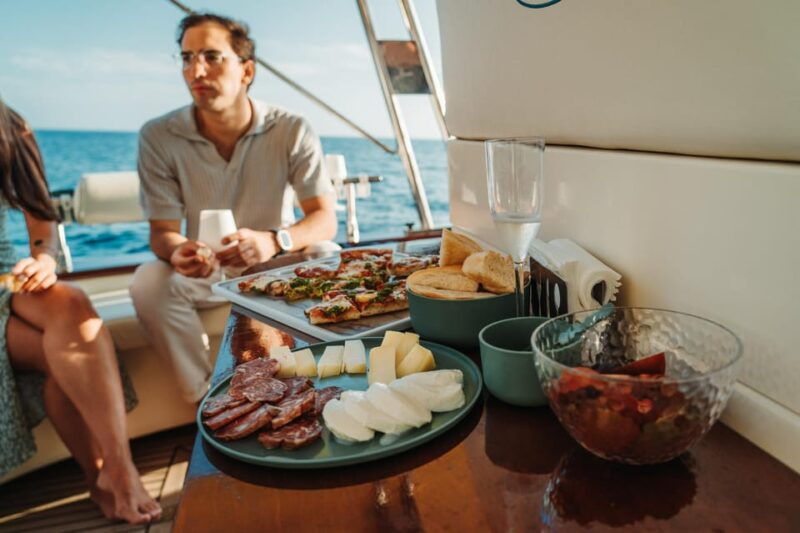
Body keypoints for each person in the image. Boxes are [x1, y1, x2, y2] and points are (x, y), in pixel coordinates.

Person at [130, 13, 337, 403]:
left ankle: (314, 383)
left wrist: (276, 240)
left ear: (246, 71)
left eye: (211, 56)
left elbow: (324, 218)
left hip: (278, 265)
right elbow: (162, 230)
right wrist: (179, 250)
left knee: (327, 255)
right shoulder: (157, 136)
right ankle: (208, 399)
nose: (196, 70)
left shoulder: (291, 128)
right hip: (207, 273)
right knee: (148, 282)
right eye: (187, 58)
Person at [0, 98, 162, 524]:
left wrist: (44, 260)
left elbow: (41, 219)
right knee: (59, 356)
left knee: (71, 302)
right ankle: (102, 478)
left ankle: (119, 471)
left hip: (5, 278)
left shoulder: (10, 125)